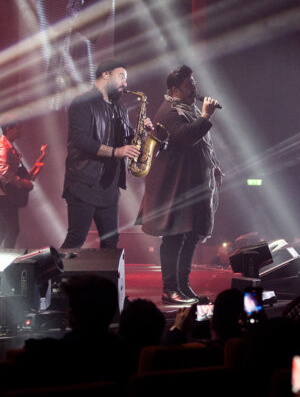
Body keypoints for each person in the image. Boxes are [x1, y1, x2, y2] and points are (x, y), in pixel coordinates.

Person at [136, 64, 222, 305]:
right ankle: (170, 289)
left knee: (191, 235)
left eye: (193, 83)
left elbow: (202, 144)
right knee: (174, 237)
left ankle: (183, 287)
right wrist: (206, 116)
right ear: (174, 90)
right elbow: (186, 137)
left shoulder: (188, 108)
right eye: (188, 85)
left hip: (188, 187)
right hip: (172, 189)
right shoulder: (169, 112)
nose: (194, 88)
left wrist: (212, 166)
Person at [61, 59, 147, 249]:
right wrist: (116, 152)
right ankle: (53, 278)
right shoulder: (82, 102)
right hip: (83, 183)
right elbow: (80, 140)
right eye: (121, 77)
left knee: (111, 242)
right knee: (76, 239)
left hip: (109, 187)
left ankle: (107, 280)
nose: (125, 83)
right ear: (105, 74)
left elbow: (128, 141)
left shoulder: (120, 108)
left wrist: (144, 132)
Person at [0, 118, 38, 248]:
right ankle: (5, 264)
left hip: (5, 196)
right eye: (17, 128)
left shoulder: (8, 146)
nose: (20, 131)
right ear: (8, 129)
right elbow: (4, 173)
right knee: (12, 230)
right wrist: (22, 183)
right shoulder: (4, 147)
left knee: (5, 230)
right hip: (3, 196)